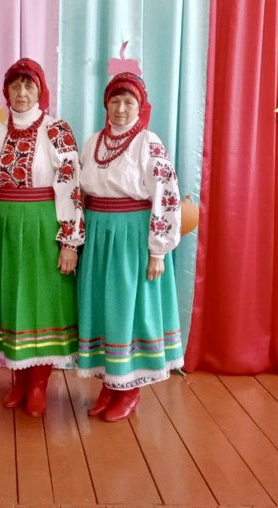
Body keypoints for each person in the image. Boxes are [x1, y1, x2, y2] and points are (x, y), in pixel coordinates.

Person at [0, 58, 84, 417]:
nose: (21, 93)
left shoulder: (56, 130)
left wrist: (69, 242)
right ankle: (18, 381)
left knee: (41, 302)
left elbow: (70, 187)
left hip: (40, 226)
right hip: (0, 227)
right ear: (6, 91)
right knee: (9, 300)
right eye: (15, 86)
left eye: (29, 86)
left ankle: (38, 384)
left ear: (40, 92)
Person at [76, 72, 183, 421]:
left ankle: (129, 389)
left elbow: (166, 195)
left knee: (128, 308)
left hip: (131, 237)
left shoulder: (148, 143)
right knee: (103, 306)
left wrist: (158, 250)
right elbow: (80, 192)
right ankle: (110, 383)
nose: (121, 109)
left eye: (129, 102)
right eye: (115, 101)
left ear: (140, 107)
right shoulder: (93, 142)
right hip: (98, 234)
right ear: (106, 104)